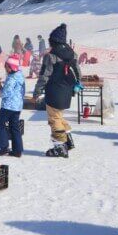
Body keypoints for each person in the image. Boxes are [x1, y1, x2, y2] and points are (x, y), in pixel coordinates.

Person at [33, 24, 80, 158]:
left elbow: (44, 75)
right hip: (67, 92)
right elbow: (78, 73)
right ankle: (68, 140)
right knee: (59, 116)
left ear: (54, 40)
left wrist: (37, 91)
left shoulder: (51, 56)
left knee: (54, 119)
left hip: (54, 91)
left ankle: (60, 147)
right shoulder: (72, 54)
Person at [0, 55, 25, 157]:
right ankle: (18, 150)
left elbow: (6, 92)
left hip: (8, 106)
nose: (5, 69)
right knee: (14, 127)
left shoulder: (12, 78)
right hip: (17, 106)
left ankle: (4, 147)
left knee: (0, 124)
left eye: (6, 67)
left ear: (12, 67)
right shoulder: (20, 76)